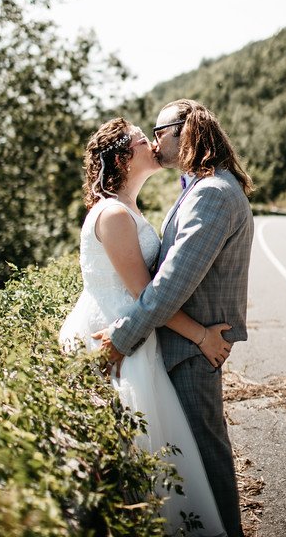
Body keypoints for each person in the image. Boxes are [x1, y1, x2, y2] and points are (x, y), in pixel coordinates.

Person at [59, 116, 231, 536]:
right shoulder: (114, 215)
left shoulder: (129, 208)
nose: (151, 144)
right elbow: (144, 294)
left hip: (137, 334)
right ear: (121, 157)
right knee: (144, 455)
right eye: (141, 139)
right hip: (119, 339)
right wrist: (201, 336)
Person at [94, 99, 254, 537]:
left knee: (205, 461)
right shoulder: (202, 188)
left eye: (158, 131)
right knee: (193, 463)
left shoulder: (213, 194)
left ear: (183, 130)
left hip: (189, 354)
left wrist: (121, 337)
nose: (154, 139)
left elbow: (171, 285)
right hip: (183, 346)